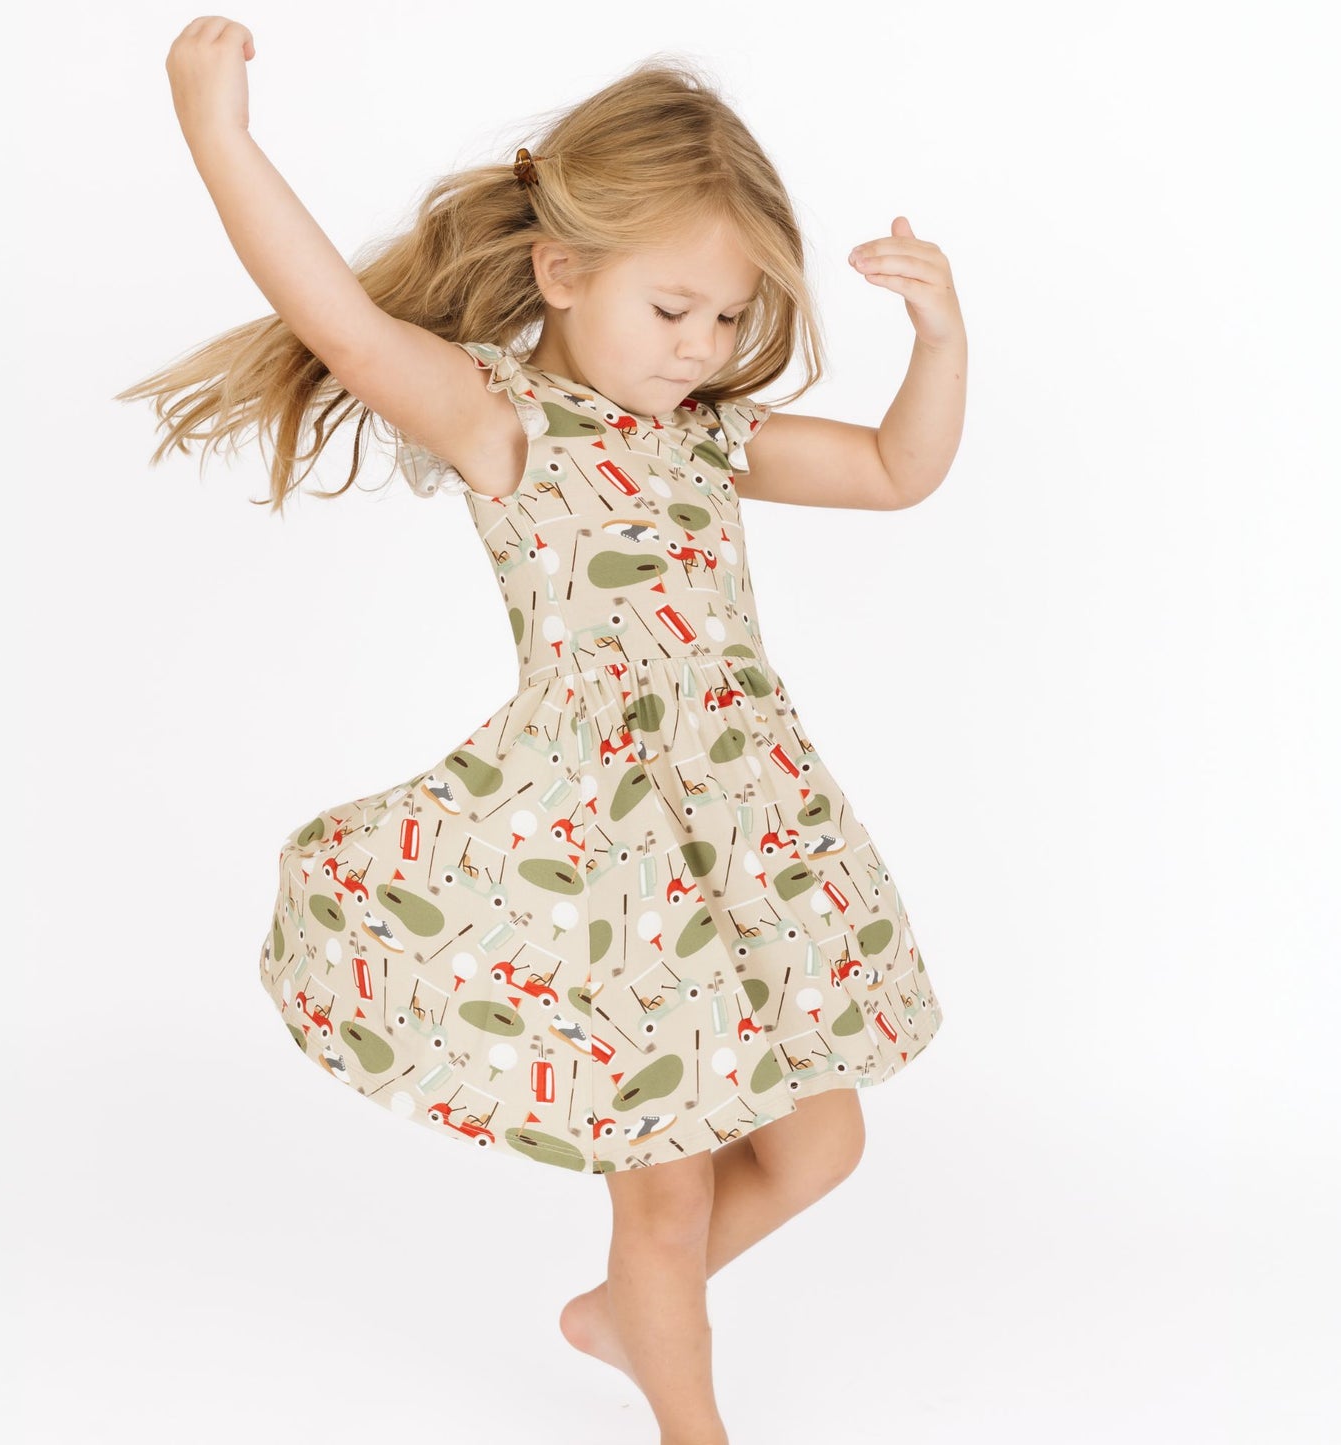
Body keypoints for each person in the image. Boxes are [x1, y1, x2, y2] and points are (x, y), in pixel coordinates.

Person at [118, 19, 967, 1444]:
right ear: (563, 273)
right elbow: (339, 320)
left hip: (746, 823)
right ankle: (685, 1401)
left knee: (822, 1135)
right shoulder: (504, 422)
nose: (702, 346)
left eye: (728, 320)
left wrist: (940, 338)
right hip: (613, 855)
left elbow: (893, 468)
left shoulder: (706, 434)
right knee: (674, 1168)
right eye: (674, 310)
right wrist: (218, 131)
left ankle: (633, 1311)